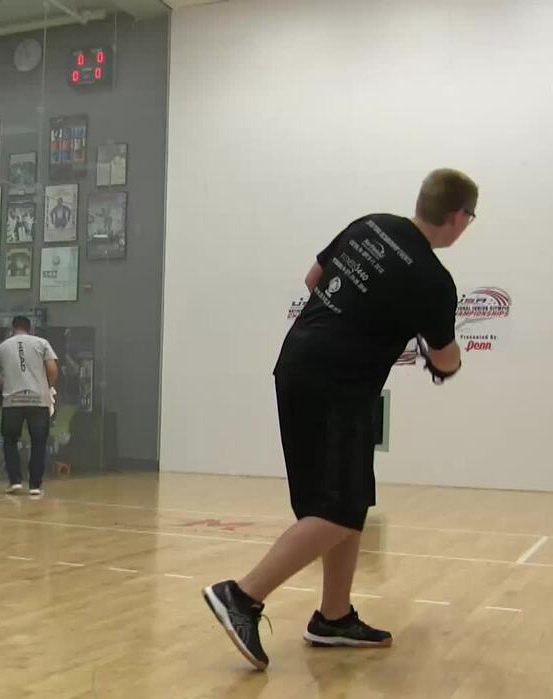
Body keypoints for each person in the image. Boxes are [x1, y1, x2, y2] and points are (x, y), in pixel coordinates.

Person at [202, 169, 477, 670]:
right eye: (469, 219)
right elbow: (445, 360)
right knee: (340, 508)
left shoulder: (370, 225)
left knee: (346, 500)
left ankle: (334, 616)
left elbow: (312, 280)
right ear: (458, 217)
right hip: (338, 386)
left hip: (297, 364)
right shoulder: (434, 281)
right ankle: (242, 595)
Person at [0, 316, 59, 497]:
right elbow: (53, 369)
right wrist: (49, 386)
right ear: (29, 328)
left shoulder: (2, 347)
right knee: (39, 442)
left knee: (10, 441)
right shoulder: (42, 343)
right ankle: (35, 486)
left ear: (12, 328)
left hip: (12, 402)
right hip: (38, 401)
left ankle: (15, 481)